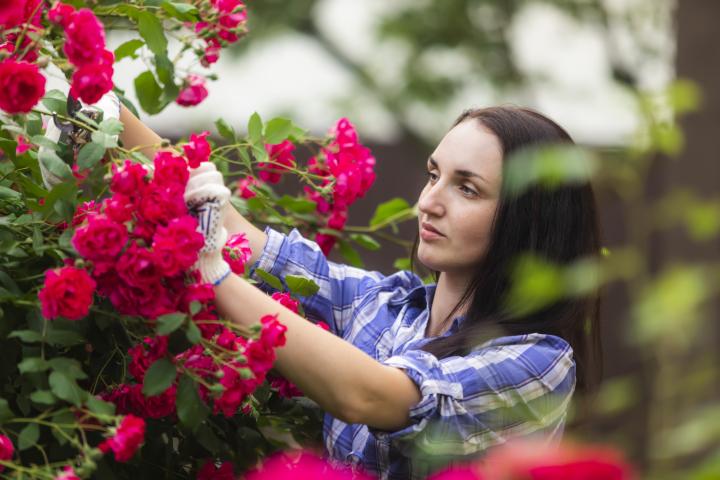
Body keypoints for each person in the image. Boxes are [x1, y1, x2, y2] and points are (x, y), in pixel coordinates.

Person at [62, 97, 603, 479]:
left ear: (526, 220)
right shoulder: (388, 308)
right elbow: (239, 236)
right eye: (432, 174)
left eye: (467, 188)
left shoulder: (538, 362)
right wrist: (92, 99)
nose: (429, 202)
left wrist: (213, 276)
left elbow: (373, 395)